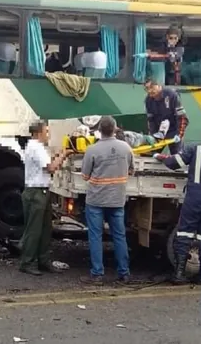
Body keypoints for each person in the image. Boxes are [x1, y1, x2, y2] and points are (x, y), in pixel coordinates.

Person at [154, 123, 201, 284]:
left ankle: (179, 274)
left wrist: (160, 157)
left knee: (184, 234)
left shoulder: (195, 149)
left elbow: (173, 163)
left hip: (195, 198)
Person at [79, 116, 134, 284]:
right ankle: (124, 273)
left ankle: (97, 274)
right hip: (117, 200)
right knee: (119, 236)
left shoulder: (92, 150)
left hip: (96, 200)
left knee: (95, 236)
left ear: (99, 131)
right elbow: (131, 170)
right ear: (115, 129)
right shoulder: (126, 148)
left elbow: (85, 175)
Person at [19, 120, 74, 276]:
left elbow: (48, 162)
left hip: (41, 191)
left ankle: (43, 260)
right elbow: (51, 167)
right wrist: (65, 154)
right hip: (36, 192)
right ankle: (27, 262)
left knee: (44, 229)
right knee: (34, 230)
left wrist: (61, 152)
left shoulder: (36, 147)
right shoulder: (36, 148)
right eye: (46, 131)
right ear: (38, 133)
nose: (48, 135)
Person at [143, 78, 188, 154]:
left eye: (152, 87)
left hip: (174, 132)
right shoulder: (148, 100)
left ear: (159, 85)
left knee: (178, 156)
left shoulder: (171, 95)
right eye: (147, 88)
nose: (150, 91)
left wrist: (179, 135)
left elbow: (182, 117)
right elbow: (151, 120)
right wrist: (152, 136)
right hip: (158, 133)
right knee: (148, 153)